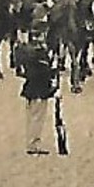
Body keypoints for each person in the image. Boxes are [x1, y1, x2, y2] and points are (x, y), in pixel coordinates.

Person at [12, 19, 60, 155]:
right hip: (39, 89)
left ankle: (31, 143)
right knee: (37, 118)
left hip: (29, 88)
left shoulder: (26, 49)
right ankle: (33, 144)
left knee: (31, 117)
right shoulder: (39, 52)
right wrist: (54, 72)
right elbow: (43, 72)